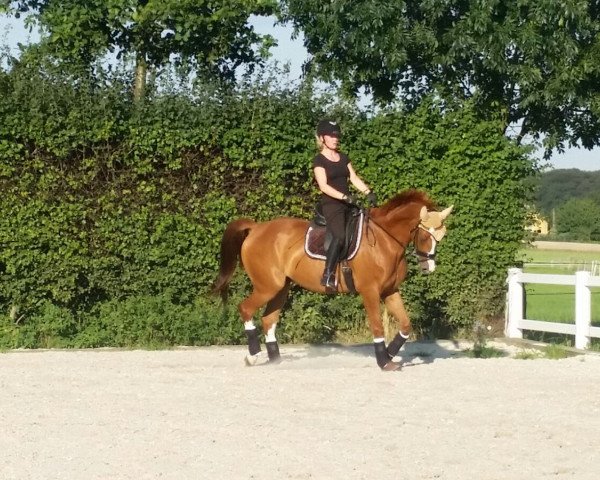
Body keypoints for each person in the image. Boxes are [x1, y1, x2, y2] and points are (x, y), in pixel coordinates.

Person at [313, 119, 377, 288]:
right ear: (322, 138)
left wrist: (368, 192)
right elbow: (323, 186)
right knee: (340, 236)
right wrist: (344, 197)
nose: (335, 138)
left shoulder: (343, 158)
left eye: (337, 135)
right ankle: (328, 274)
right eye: (331, 135)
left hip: (348, 202)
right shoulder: (319, 160)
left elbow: (353, 178)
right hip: (332, 205)